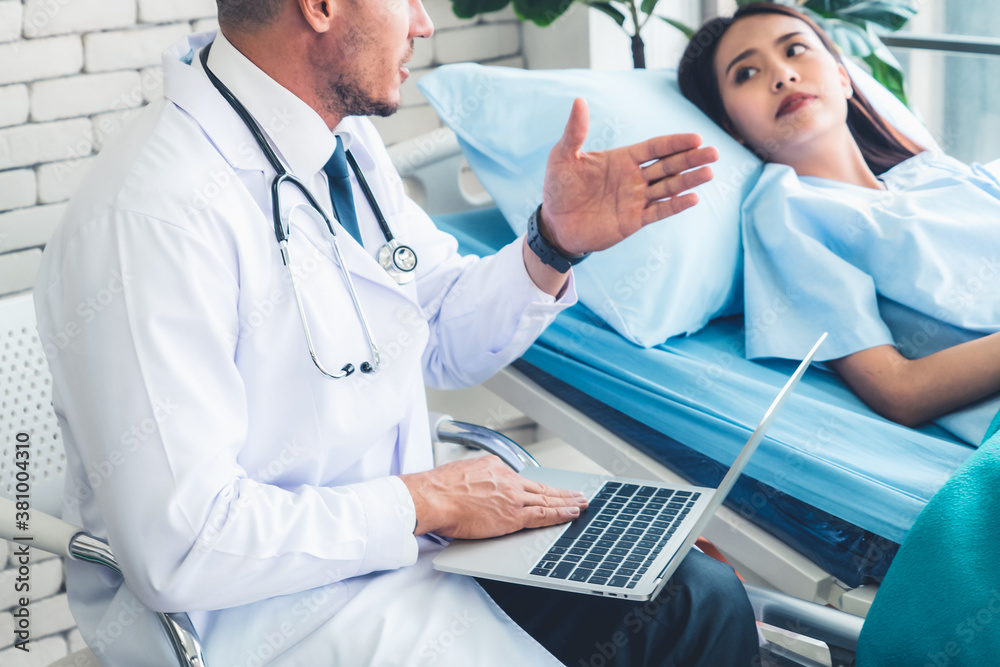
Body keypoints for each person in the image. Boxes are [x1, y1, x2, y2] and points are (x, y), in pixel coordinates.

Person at [33, 0, 761, 664]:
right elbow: (183, 545)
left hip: (403, 549)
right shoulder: (147, 221)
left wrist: (552, 245)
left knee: (696, 596)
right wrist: (426, 501)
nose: (423, 23)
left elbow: (438, 332)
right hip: (263, 616)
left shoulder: (339, 143)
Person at [678, 2, 1000, 443]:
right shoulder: (788, 211)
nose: (783, 75)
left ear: (844, 77)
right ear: (730, 127)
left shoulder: (934, 173)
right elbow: (899, 390)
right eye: (746, 73)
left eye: (794, 50)